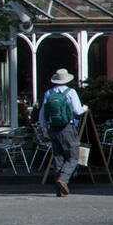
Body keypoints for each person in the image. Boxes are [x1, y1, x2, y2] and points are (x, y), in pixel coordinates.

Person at [39, 68, 87, 197]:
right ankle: (63, 180)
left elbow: (42, 114)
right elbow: (77, 111)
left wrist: (44, 129)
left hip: (53, 128)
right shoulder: (70, 92)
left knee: (58, 157)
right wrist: (85, 108)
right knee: (73, 156)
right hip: (67, 128)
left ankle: (59, 189)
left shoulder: (48, 93)